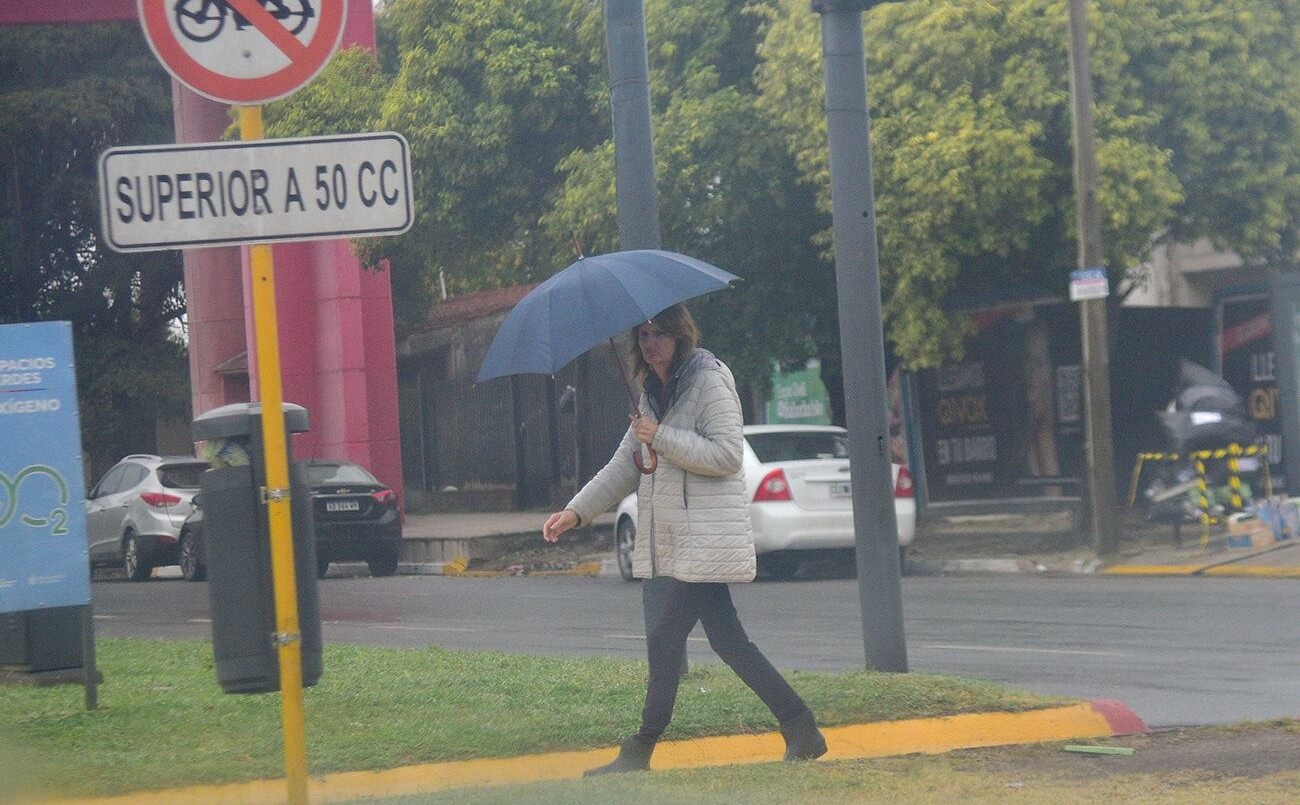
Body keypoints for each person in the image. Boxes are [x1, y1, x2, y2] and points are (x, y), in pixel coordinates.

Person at [542, 304, 828, 775]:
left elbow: (727, 456)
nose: (650, 342)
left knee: (664, 637)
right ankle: (801, 727)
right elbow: (624, 465)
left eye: (660, 333)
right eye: (643, 334)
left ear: (680, 336)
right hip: (673, 538)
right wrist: (575, 511)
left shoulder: (709, 379)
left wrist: (661, 435)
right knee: (729, 642)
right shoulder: (650, 393)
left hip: (700, 537)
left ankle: (640, 748)